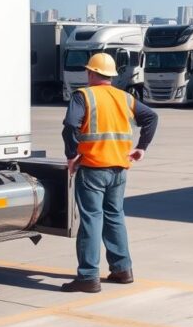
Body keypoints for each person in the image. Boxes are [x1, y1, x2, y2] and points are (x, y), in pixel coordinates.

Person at [60, 52, 159, 293]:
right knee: (114, 216)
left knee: (91, 219)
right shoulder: (125, 98)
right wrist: (141, 147)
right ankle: (122, 269)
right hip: (119, 169)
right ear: (112, 76)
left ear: (91, 73)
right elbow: (151, 117)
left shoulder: (83, 96)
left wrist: (72, 154)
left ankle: (88, 276)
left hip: (93, 167)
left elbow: (72, 124)